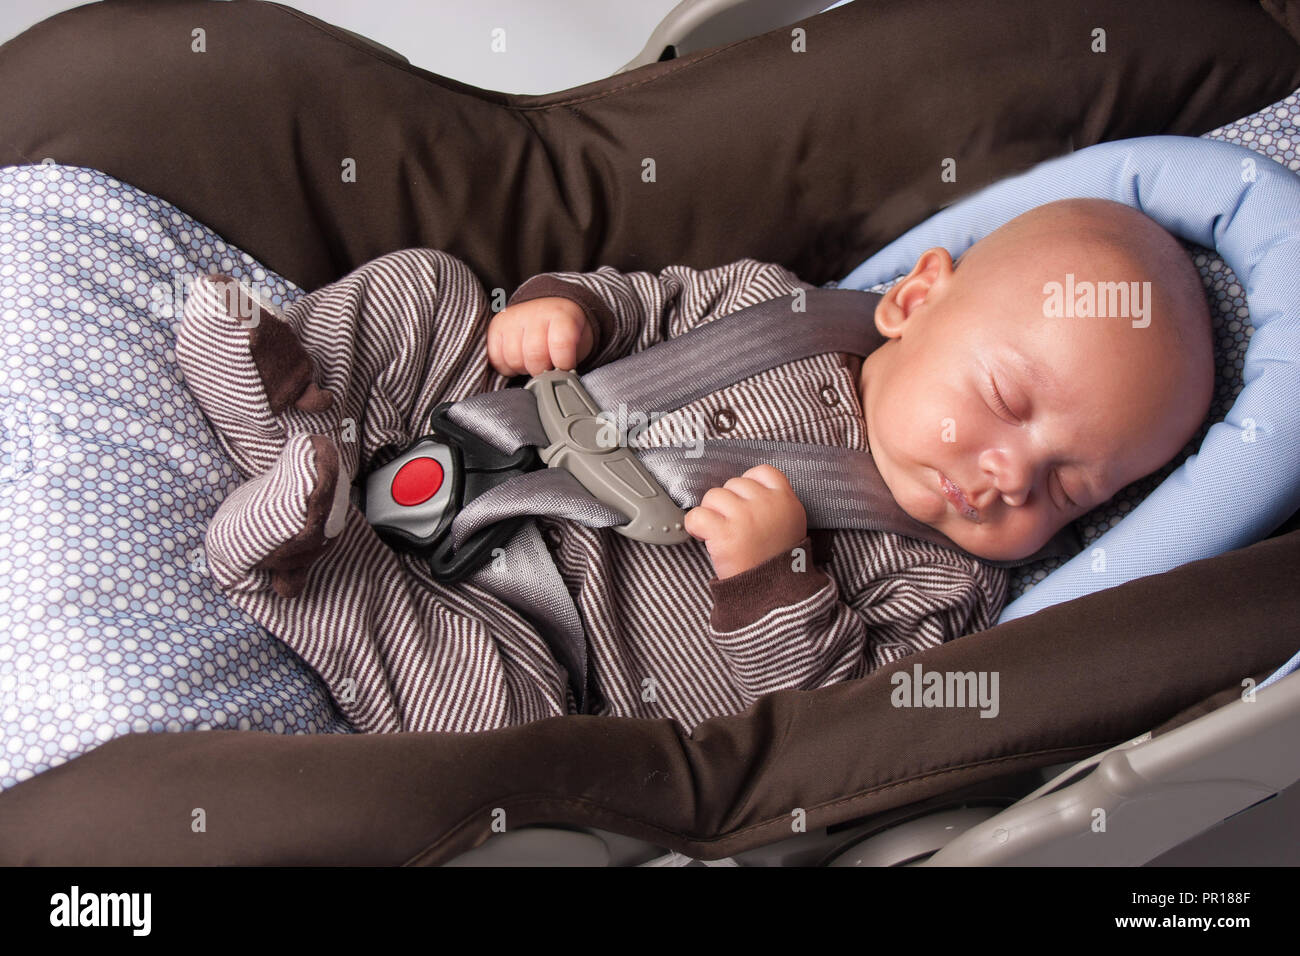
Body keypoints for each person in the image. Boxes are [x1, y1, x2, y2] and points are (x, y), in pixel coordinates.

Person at [175, 197, 1214, 734]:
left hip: (533, 641)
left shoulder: (945, 586)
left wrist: (773, 581)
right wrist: (563, 307)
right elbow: (646, 300)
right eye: (1006, 403)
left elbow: (831, 721)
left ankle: (288, 546)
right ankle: (283, 396)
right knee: (432, 291)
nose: (1008, 475)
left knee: (483, 728)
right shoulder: (775, 303)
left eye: (1070, 486)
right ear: (913, 299)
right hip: (463, 425)